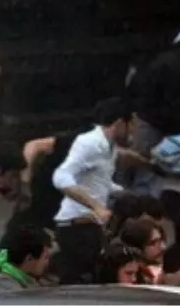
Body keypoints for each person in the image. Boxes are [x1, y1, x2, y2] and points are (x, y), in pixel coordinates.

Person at [52, 96, 134, 285]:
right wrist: (96, 206)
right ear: (120, 123)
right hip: (76, 228)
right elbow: (61, 177)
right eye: (132, 125)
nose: (133, 132)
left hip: (92, 227)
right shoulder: (89, 142)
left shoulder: (110, 148)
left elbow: (99, 182)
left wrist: (122, 192)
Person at [0, 226, 51, 293]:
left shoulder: (24, 278)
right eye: (45, 257)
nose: (47, 263)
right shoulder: (3, 285)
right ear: (29, 258)